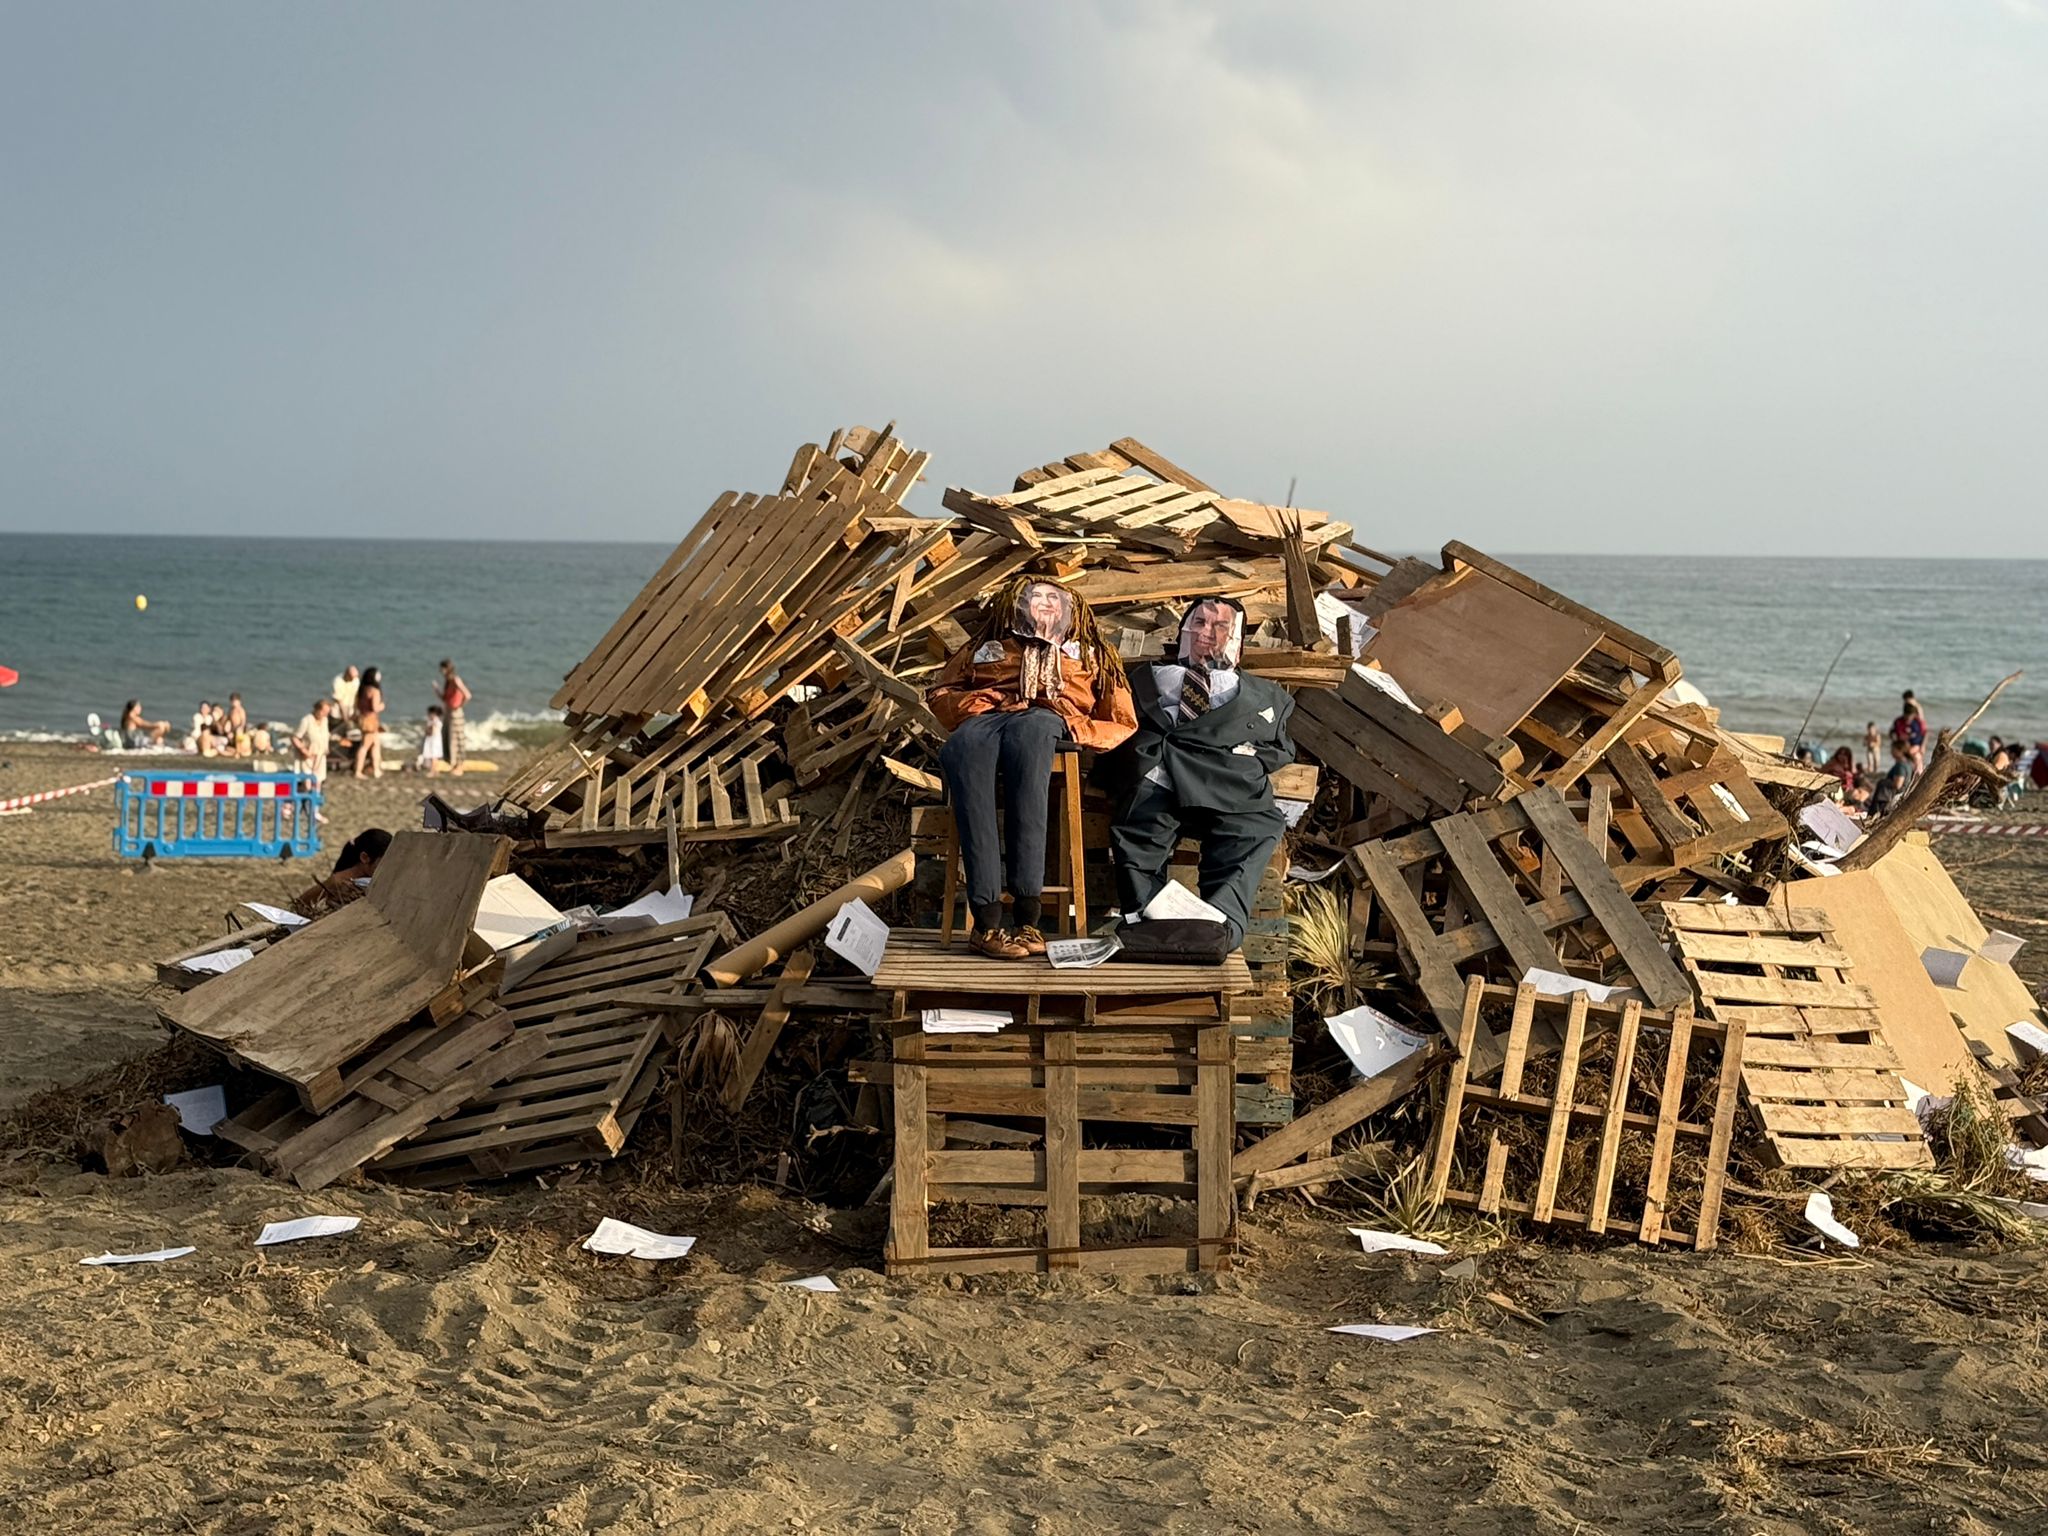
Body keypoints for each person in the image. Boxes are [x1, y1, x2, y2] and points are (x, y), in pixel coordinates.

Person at [927, 577, 1136, 960]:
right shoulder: (985, 647)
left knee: (1030, 740)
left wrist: (1075, 725)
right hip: (987, 719)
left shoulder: (1093, 655)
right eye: (1033, 598)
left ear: (1071, 611)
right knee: (964, 748)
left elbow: (1122, 721)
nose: (1043, 605)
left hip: (1047, 721)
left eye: (1053, 600)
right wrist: (986, 701)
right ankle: (986, 921)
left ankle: (1028, 917)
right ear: (1013, 606)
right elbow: (941, 694)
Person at [1100, 597, 1296, 951]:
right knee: (1138, 836)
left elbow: (1279, 749)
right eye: (1200, 623)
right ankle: (1145, 923)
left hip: (1229, 786)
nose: (1207, 633)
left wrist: (1244, 761)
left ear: (1236, 639)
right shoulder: (1142, 680)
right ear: (1183, 630)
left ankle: (1218, 926)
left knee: (1250, 834)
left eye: (1220, 626)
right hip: (1159, 779)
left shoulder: (1267, 697)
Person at [291, 827, 392, 919]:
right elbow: (301, 902)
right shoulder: (339, 882)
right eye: (383, 863)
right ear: (364, 858)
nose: (388, 868)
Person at [291, 697, 333, 823]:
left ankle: (314, 811)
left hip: (320, 757)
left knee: (318, 784)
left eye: (327, 712)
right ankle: (290, 806)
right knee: (306, 785)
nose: (325, 714)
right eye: (323, 712)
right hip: (307, 758)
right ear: (317, 709)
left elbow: (325, 736)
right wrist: (303, 750)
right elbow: (295, 737)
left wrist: (326, 748)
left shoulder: (325, 721)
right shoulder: (306, 720)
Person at [438, 659, 470, 774]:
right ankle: (453, 763)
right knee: (447, 736)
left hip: (455, 713)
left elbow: (467, 695)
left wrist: (459, 706)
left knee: (456, 738)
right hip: (449, 712)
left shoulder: (455, 680)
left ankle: (459, 766)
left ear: (447, 668)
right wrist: (437, 690)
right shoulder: (448, 681)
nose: (441, 671)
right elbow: (446, 699)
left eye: (442, 668)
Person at [352, 666, 385, 779]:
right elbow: (375, 707)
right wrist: (382, 706)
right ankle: (358, 771)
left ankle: (376, 769)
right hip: (370, 720)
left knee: (375, 744)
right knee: (365, 746)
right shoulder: (374, 691)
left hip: (363, 718)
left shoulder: (362, 689)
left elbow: (356, 705)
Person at [1893, 691, 1928, 776]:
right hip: (1903, 748)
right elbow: (1894, 734)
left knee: (1917, 759)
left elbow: (1925, 732)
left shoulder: (1918, 719)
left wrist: (1922, 746)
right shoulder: (1899, 722)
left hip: (1915, 748)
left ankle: (1918, 777)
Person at [415, 704, 446, 773]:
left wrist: (427, 730)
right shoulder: (433, 721)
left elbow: (432, 732)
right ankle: (435, 771)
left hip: (433, 741)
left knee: (433, 756)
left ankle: (433, 771)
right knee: (433, 756)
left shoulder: (435, 722)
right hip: (432, 741)